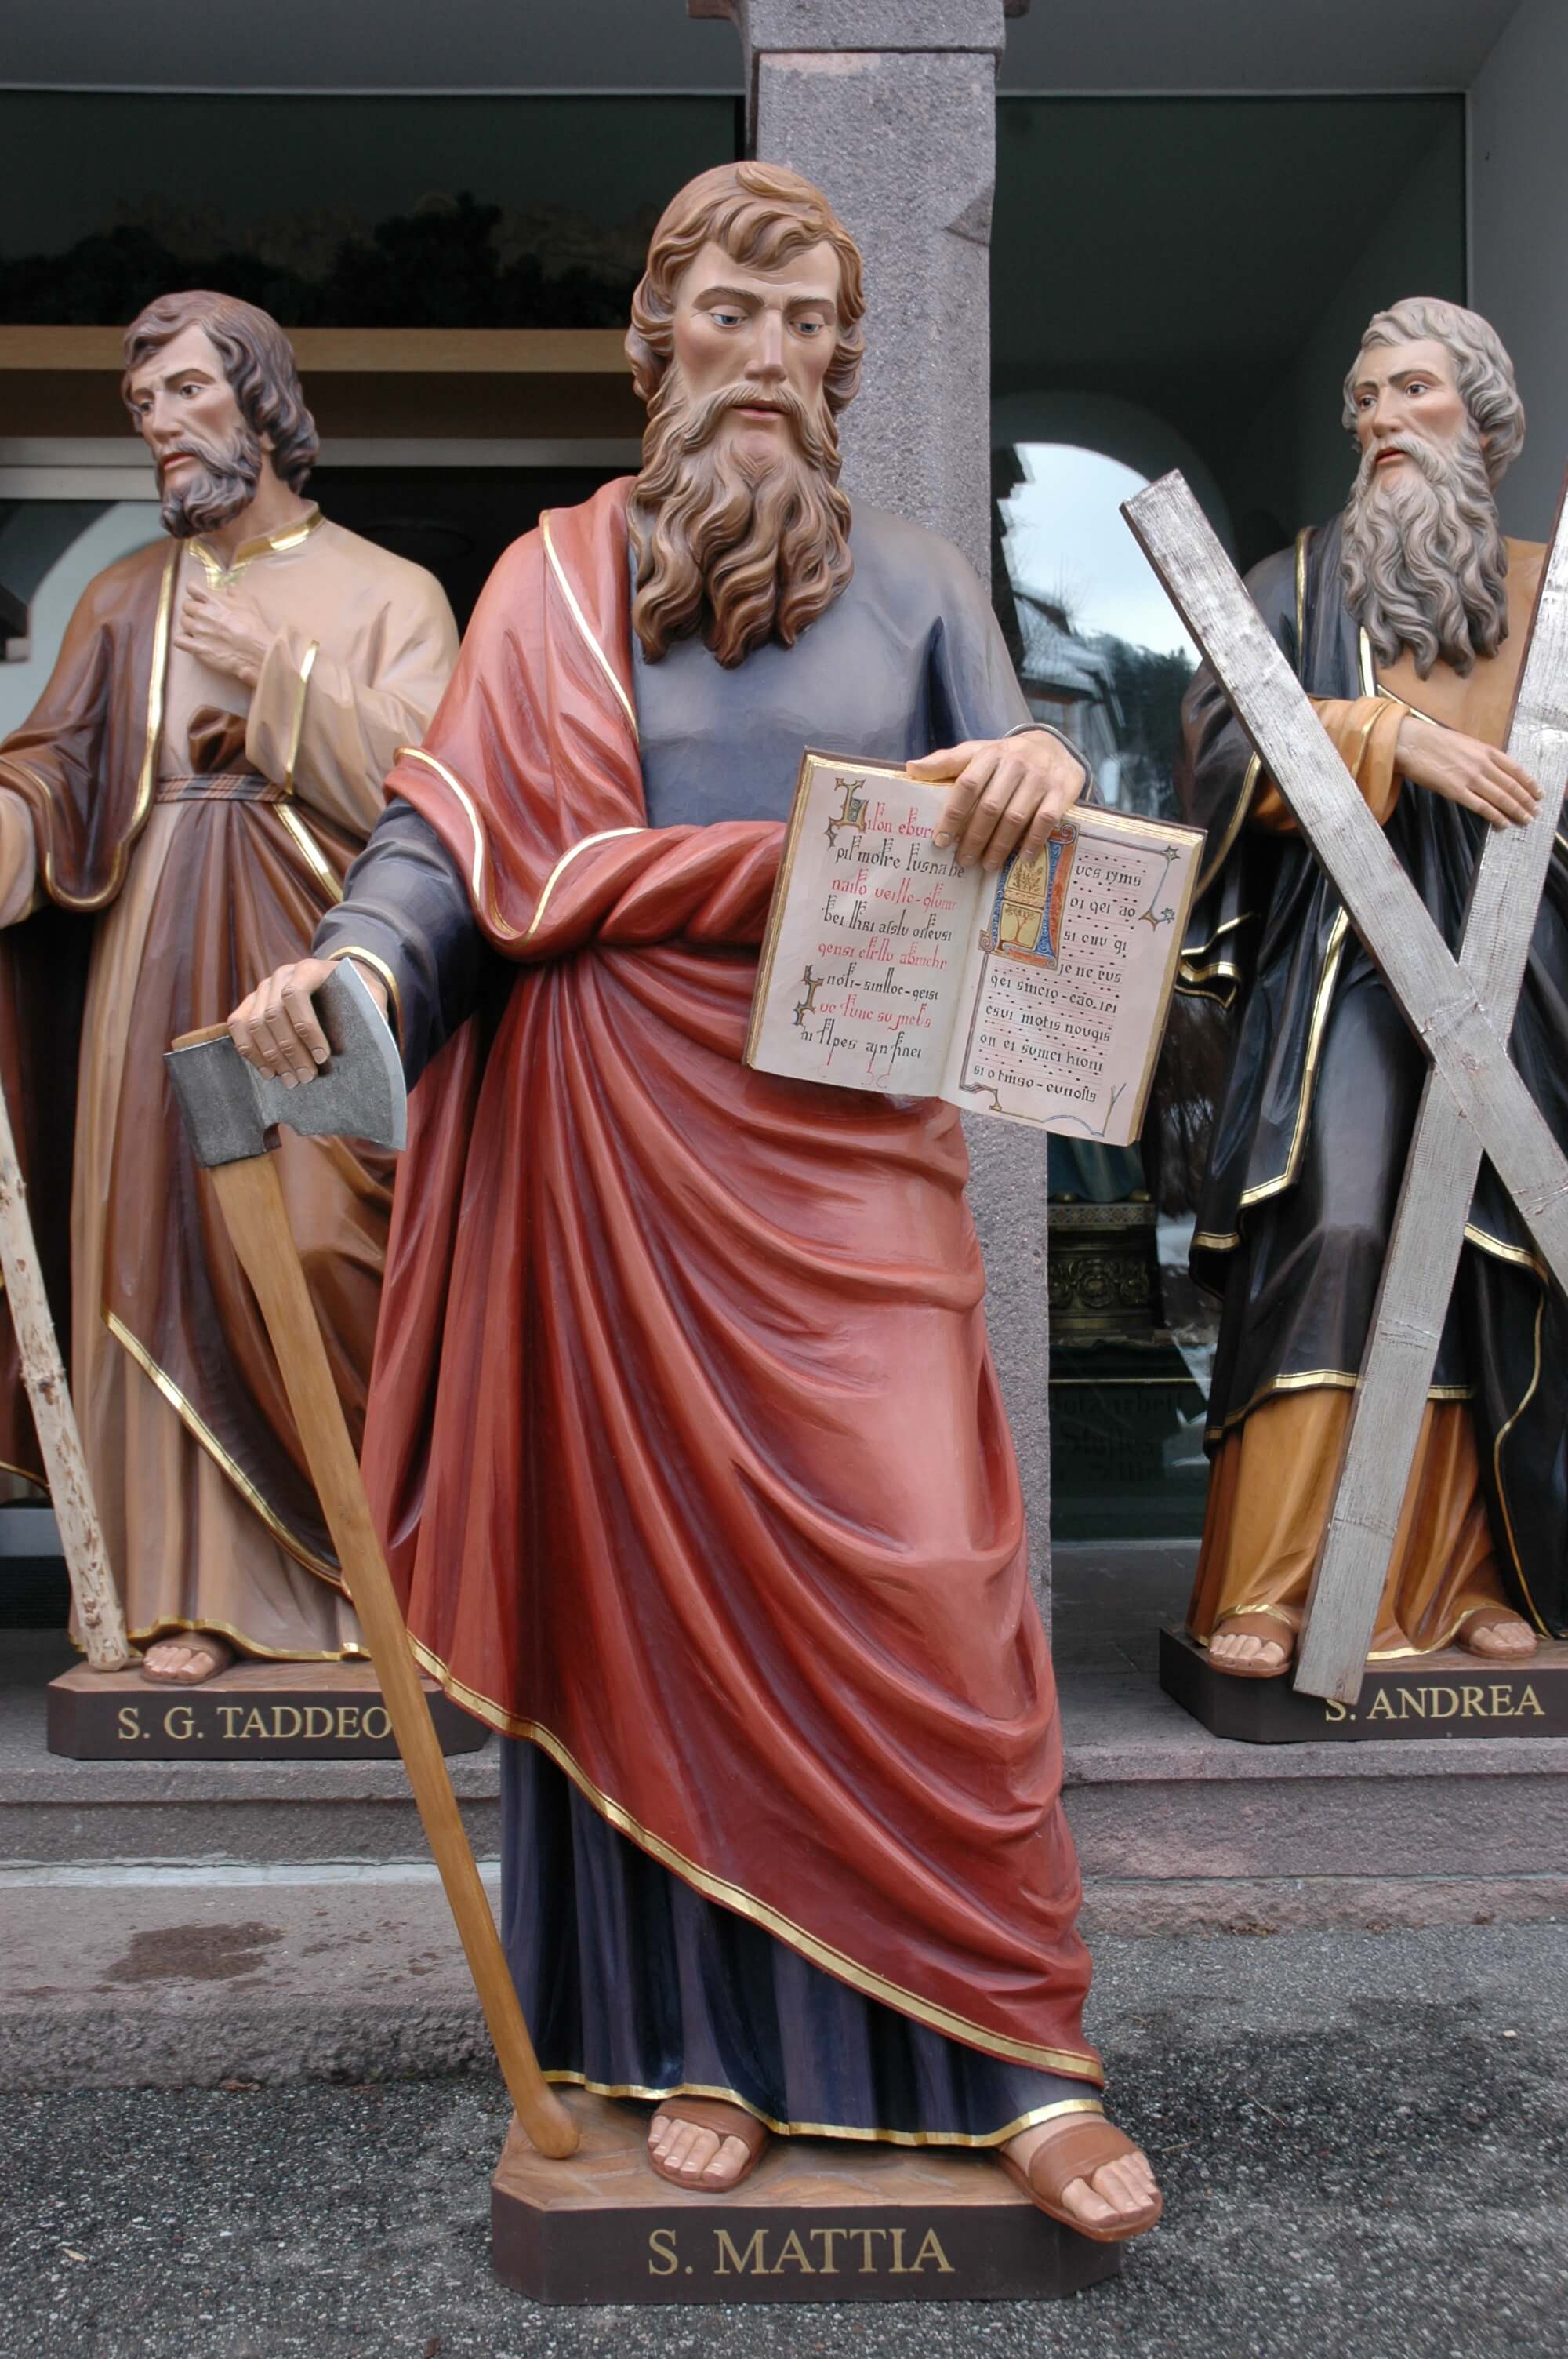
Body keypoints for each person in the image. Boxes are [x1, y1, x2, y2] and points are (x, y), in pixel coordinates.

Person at [232, 163, 1160, 2242]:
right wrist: (355, 969)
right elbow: (440, 844)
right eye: (726, 312)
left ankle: (1019, 2054)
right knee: (654, 1622)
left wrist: (1034, 785)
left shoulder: (921, 586)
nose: (766, 351)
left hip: (851, 1155)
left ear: (844, 357)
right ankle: (703, 2050)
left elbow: (1038, 828)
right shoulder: (548, 587)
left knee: (934, 1578)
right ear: (657, 348)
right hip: (614, 1160)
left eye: (806, 317)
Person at [0, 291, 456, 1685]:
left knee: (327, 1240)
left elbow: (446, 796)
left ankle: (394, 1576)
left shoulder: (392, 593)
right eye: (144, 409)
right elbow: (52, 775)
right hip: (150, 957)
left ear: (263, 400)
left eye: (190, 394)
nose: (163, 428)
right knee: (154, 1256)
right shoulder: (123, 597)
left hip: (319, 964)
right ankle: (184, 1594)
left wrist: (284, 679)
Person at [1176, 296, 1566, 1677]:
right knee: (1340, 1227)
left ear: (1487, 419)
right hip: (1348, 958)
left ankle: (1464, 1581)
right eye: (1365, 400)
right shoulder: (1292, 588)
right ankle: (1282, 1584)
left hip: (1520, 970)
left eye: (1413, 392)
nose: (1383, 422)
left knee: (1484, 1258)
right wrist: (1387, 740)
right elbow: (1222, 752)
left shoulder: (1555, 590)